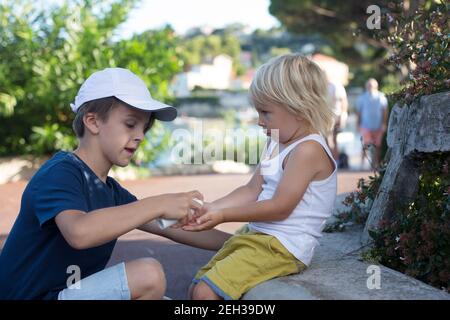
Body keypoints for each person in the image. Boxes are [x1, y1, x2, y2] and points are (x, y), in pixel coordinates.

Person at [0, 67, 230, 300]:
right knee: (148, 275)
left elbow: (171, 226)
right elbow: (79, 232)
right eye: (131, 124)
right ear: (93, 121)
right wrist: (160, 203)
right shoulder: (60, 172)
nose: (140, 135)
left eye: (145, 127)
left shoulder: (111, 191)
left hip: (62, 295)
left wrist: (244, 244)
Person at [181, 53, 338, 300]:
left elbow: (280, 208)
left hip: (283, 247)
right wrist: (211, 207)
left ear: (298, 107)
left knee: (204, 293)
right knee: (196, 287)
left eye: (265, 113)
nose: (259, 121)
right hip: (259, 237)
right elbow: (251, 189)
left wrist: (222, 216)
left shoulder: (308, 150)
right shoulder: (276, 141)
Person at [356, 78, 388, 169]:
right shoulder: (362, 98)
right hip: (365, 126)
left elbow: (385, 111)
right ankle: (362, 164)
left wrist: (384, 124)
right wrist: (358, 124)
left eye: (372, 85)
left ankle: (375, 164)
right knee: (365, 144)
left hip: (378, 126)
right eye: (369, 85)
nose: (370, 87)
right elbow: (359, 112)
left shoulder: (381, 97)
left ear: (376, 86)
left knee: (377, 146)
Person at [327, 81, 348, 164]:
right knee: (329, 140)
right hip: (328, 117)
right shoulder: (324, 85)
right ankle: (333, 160)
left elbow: (344, 102)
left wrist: (342, 116)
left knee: (333, 140)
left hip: (336, 116)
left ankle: (335, 160)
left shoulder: (337, 86)